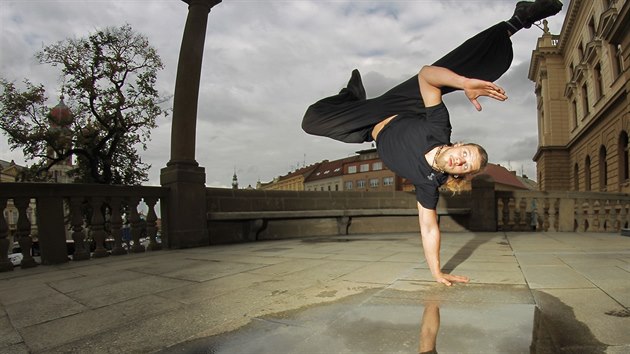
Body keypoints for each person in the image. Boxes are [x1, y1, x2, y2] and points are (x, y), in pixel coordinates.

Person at [302, 0, 563, 286]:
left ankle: (353, 98)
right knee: (455, 70)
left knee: (312, 122)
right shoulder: (439, 128)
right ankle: (519, 20)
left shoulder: (429, 183)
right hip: (400, 105)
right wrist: (464, 83)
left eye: (465, 165)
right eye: (464, 153)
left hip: (367, 129)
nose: (459, 160)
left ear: (460, 174)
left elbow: (429, 228)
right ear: (457, 144)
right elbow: (426, 74)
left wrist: (436, 272)